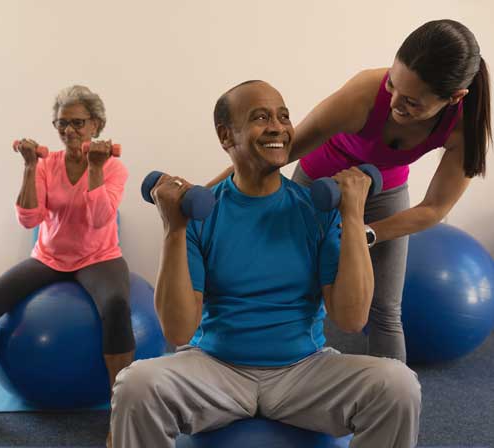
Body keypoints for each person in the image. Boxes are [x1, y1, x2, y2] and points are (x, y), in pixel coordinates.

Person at [110, 80, 421, 448]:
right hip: (215, 368)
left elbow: (351, 319)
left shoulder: (314, 211)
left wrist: (352, 216)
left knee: (398, 385)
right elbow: (178, 332)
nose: (278, 127)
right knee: (135, 385)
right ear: (227, 136)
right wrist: (174, 229)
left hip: (304, 370)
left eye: (284, 116)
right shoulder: (201, 213)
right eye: (260, 117)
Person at [208, 19, 491, 362]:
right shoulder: (365, 92)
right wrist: (206, 195)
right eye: (393, 85)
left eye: (412, 103)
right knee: (295, 292)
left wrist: (365, 233)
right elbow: (277, 151)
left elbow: (434, 209)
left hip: (383, 189)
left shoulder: (465, 126)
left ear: (454, 98)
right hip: (315, 184)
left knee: (386, 309)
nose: (394, 103)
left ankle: (393, 404)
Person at [0, 85, 135, 398]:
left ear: (96, 125)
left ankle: (121, 406)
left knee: (117, 305)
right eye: (61, 123)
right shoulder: (46, 165)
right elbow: (29, 219)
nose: (69, 131)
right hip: (49, 257)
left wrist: (95, 168)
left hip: (100, 257)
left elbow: (99, 218)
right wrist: (30, 166)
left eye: (77, 123)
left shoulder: (113, 167)